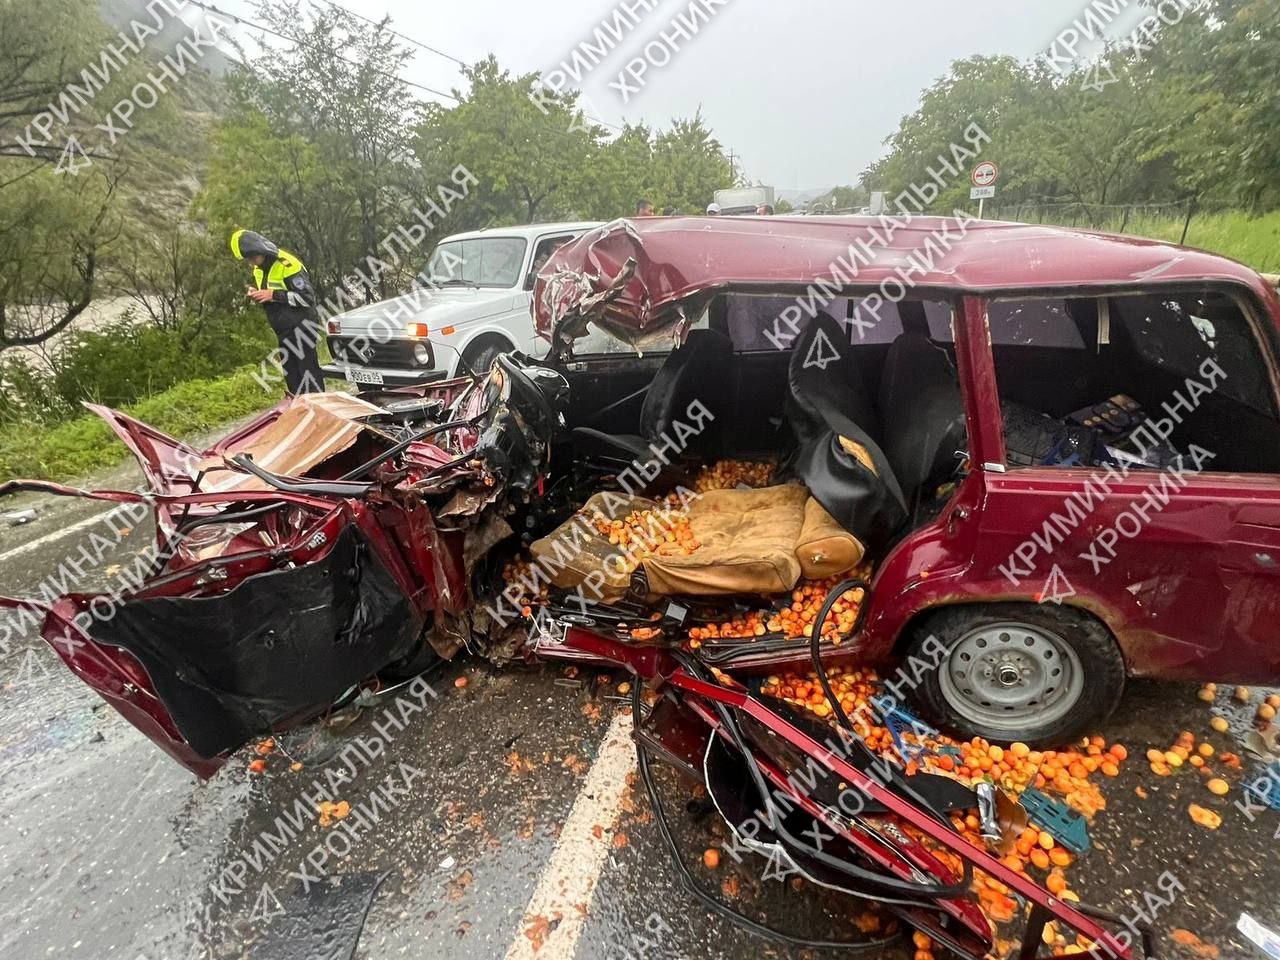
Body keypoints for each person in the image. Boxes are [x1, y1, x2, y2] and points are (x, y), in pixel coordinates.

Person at [230, 229, 324, 395]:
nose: (251, 264)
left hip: (302, 327)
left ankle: (321, 417)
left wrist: (273, 295)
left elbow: (307, 298)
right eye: (248, 260)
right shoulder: (259, 269)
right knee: (293, 380)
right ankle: (301, 414)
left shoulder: (287, 264)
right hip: (283, 330)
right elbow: (272, 297)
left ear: (259, 250)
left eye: (252, 258)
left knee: (310, 379)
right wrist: (258, 295)